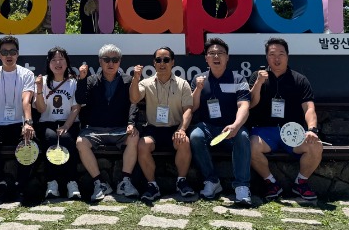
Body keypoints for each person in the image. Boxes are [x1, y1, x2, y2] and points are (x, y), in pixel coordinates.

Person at [249, 37, 322, 201]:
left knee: (315, 145)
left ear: (287, 56)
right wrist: (258, 83)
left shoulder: (299, 79)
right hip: (265, 131)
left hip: (293, 131)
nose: (277, 58)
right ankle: (271, 183)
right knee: (251, 146)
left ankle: (300, 184)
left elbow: (309, 108)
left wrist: (312, 129)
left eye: (281, 54)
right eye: (272, 54)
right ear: (266, 57)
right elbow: (251, 104)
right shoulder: (257, 77)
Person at [189, 37, 253, 206]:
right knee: (195, 136)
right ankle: (212, 181)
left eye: (220, 53)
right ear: (206, 58)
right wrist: (198, 89)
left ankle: (242, 186)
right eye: (211, 53)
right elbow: (192, 107)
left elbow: (244, 106)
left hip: (232, 127)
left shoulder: (239, 79)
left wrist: (235, 126)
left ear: (227, 57)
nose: (216, 56)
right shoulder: (198, 79)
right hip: (208, 127)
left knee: (243, 136)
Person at [75, 44, 140, 202]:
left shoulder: (128, 80)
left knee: (134, 137)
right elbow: (80, 99)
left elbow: (134, 103)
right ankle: (99, 183)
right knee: (80, 142)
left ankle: (125, 181)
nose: (111, 63)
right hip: (95, 129)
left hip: (120, 129)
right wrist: (82, 80)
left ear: (120, 62)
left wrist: (131, 123)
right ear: (100, 61)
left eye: (115, 60)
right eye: (106, 59)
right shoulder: (91, 80)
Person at [130, 47, 195, 203]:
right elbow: (134, 99)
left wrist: (182, 129)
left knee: (184, 141)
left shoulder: (183, 84)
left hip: (174, 128)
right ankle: (152, 185)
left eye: (166, 60)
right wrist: (135, 79)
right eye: (158, 60)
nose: (162, 63)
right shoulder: (146, 83)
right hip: (154, 129)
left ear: (172, 62)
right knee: (142, 145)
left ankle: (181, 181)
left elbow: (188, 110)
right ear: (154, 63)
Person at [0, 35, 36, 203]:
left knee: (30, 141)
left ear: (18, 54)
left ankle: (20, 186)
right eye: (4, 52)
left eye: (12, 51)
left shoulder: (26, 74)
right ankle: (0, 183)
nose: (9, 55)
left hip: (18, 123)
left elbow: (26, 100)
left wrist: (28, 123)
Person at [34, 47, 81, 200]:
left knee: (67, 140)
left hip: (69, 122)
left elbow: (76, 108)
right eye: (54, 60)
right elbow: (41, 109)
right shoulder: (42, 81)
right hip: (48, 122)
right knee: (51, 139)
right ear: (49, 64)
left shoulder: (73, 82)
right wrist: (39, 90)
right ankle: (52, 183)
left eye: (61, 59)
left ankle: (71, 182)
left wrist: (66, 126)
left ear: (67, 63)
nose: (58, 63)